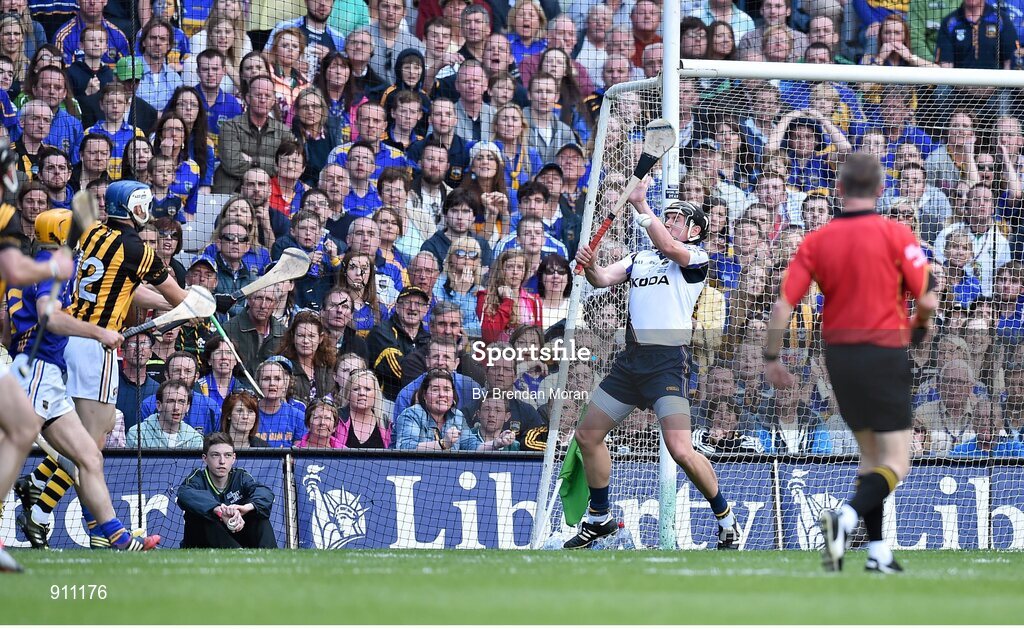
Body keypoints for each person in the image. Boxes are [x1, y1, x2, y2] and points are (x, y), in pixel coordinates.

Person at [764, 153, 937, 573]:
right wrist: (918, 326)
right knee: (897, 460)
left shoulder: (816, 241)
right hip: (884, 352)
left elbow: (785, 303)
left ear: (839, 190)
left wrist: (771, 355)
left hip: (839, 357)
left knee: (868, 456)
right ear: (880, 190)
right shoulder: (897, 233)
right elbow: (929, 297)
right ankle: (844, 518)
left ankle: (876, 552)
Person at [568, 177, 741, 550]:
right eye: (669, 216)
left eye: (678, 218)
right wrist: (591, 263)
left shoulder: (696, 258)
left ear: (695, 230)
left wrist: (640, 204)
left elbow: (666, 242)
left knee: (680, 449)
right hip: (630, 361)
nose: (670, 221)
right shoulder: (639, 258)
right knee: (587, 435)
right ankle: (599, 517)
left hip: (666, 364)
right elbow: (600, 280)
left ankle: (726, 520)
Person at [19, 179, 188, 555]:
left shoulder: (90, 234)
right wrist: (204, 304)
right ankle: (44, 508)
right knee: (90, 445)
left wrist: (176, 305)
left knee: (97, 432)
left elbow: (128, 289)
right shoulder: (138, 249)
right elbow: (178, 297)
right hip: (97, 344)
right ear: (134, 208)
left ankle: (58, 503)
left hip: (68, 341)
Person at [177, 432, 277, 548]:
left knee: (259, 515)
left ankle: (270, 557)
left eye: (227, 455)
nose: (222, 461)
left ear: (234, 458)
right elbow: (184, 494)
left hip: (237, 533)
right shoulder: (197, 477)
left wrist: (245, 508)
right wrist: (219, 511)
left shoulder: (240, 476)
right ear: (205, 458)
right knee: (199, 515)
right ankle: (237, 554)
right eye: (215, 455)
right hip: (202, 542)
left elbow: (265, 493)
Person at [394, 367, 467, 450]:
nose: (442, 394)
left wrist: (485, 447)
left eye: (447, 390)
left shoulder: (458, 416)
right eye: (435, 390)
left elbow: (471, 444)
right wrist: (443, 443)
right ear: (424, 395)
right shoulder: (412, 414)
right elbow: (406, 447)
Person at [126, 379, 204, 448]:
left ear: (188, 407)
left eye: (181, 402)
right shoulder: (137, 435)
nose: (176, 407)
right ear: (159, 405)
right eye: (170, 401)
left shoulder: (195, 439)